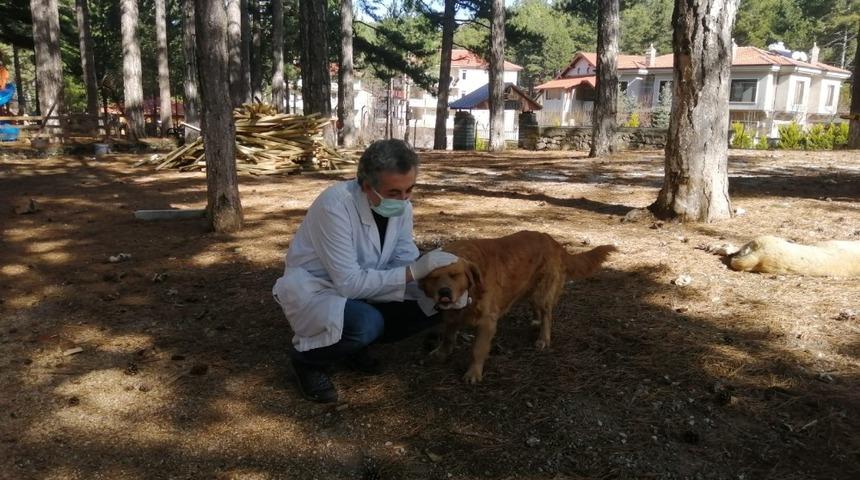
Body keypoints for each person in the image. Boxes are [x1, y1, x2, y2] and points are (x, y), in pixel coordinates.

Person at [272, 139, 457, 403]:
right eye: (394, 193)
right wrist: (415, 272)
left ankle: (353, 346)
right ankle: (307, 361)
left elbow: (403, 256)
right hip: (320, 290)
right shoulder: (334, 206)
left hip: (366, 285)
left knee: (436, 303)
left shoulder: (401, 207)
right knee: (366, 324)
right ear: (367, 186)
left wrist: (436, 284)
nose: (404, 200)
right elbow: (349, 284)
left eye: (410, 190)